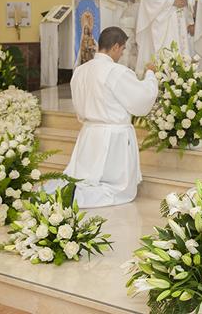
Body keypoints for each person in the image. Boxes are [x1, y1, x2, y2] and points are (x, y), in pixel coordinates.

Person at [63, 27, 158, 208]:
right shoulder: (116, 72)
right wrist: (150, 74)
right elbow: (141, 99)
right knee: (117, 188)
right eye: (122, 49)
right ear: (115, 47)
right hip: (113, 137)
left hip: (88, 133)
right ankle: (77, 198)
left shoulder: (80, 71)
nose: (122, 54)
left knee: (86, 179)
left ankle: (71, 193)